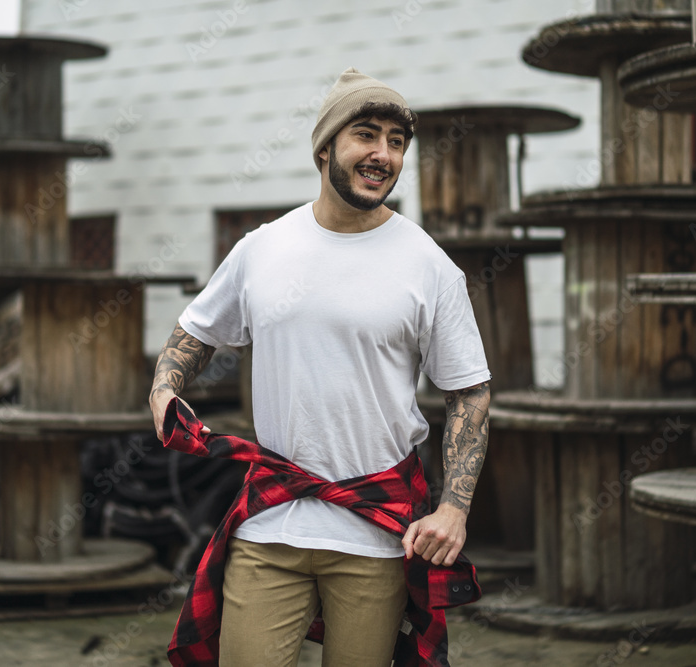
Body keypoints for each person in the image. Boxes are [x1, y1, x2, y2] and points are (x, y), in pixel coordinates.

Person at [150, 67, 491, 667]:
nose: (383, 154)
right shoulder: (263, 249)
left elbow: (468, 392)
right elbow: (194, 333)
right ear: (326, 146)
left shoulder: (428, 266)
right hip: (270, 526)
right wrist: (165, 386)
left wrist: (454, 508)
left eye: (397, 141)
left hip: (378, 535)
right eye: (367, 134)